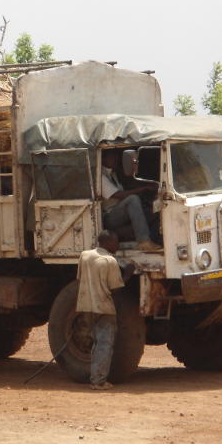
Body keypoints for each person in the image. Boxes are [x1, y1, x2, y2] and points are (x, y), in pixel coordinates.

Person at [76, 230, 125, 390]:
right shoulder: (110, 261)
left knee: (95, 343)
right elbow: (116, 288)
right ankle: (98, 381)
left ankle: (95, 376)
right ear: (108, 242)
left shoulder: (84, 256)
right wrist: (129, 273)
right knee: (104, 344)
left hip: (85, 306)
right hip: (104, 308)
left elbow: (80, 279)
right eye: (116, 241)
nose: (118, 245)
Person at [100, 150, 161, 251]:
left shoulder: (112, 174)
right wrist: (143, 189)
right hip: (110, 216)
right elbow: (118, 195)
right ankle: (143, 241)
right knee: (132, 199)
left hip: (121, 213)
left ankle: (154, 241)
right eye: (113, 157)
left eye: (116, 157)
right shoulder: (101, 176)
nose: (116, 160)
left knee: (155, 211)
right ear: (104, 158)